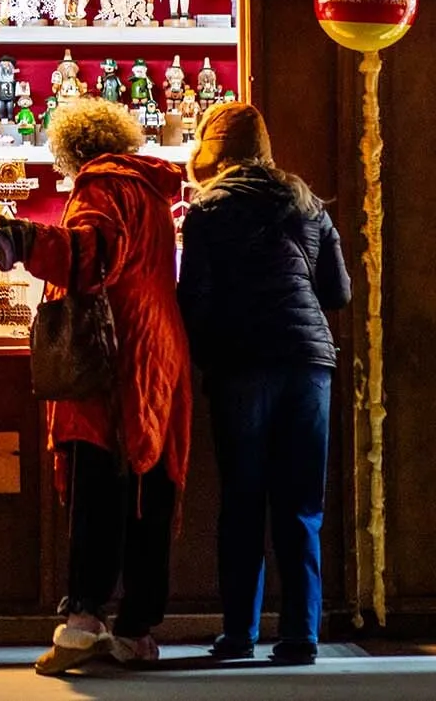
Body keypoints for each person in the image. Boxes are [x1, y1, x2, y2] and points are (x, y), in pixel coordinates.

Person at [0, 97, 190, 675]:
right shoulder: (150, 188)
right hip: (159, 346)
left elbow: (92, 257)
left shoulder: (98, 185)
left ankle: (84, 620)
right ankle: (138, 629)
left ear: (69, 149)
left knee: (97, 478)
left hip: (108, 349)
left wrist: (19, 240)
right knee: (149, 485)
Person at [176, 102, 350, 667]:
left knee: (243, 501)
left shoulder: (207, 210)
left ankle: (238, 634)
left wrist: (207, 358)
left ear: (215, 151)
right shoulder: (307, 204)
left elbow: (194, 298)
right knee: (302, 504)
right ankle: (301, 636)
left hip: (242, 365)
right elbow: (339, 293)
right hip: (308, 364)